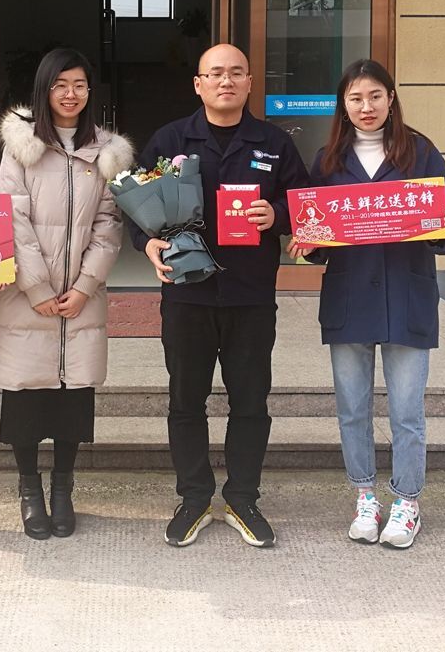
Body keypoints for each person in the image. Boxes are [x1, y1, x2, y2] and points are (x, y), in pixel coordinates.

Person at [132, 44, 311, 549]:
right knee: (185, 401)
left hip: (250, 295)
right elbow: (137, 207)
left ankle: (242, 498)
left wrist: (277, 215)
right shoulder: (170, 141)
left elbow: (304, 203)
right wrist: (146, 242)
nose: (225, 81)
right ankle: (193, 497)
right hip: (187, 294)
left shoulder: (274, 143)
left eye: (235, 73)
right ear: (198, 84)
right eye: (215, 73)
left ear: (250, 82)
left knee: (250, 402)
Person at [289, 59, 445, 550]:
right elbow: (317, 235)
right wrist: (309, 244)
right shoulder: (327, 160)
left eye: (375, 96)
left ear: (391, 98)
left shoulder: (421, 152)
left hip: (406, 295)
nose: (366, 107)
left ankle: (407, 502)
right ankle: (365, 497)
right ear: (343, 105)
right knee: (352, 408)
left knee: (407, 411)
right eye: (355, 98)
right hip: (350, 296)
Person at [0, 48, 133, 540]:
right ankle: (29, 487)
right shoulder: (22, 145)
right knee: (26, 396)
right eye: (60, 85)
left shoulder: (107, 151)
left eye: (79, 84)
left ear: (91, 90)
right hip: (26, 294)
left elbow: (109, 223)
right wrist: (35, 287)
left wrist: (84, 286)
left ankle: (63, 487)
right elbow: (12, 217)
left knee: (73, 397)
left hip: (80, 298)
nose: (70, 94)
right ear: (44, 89)